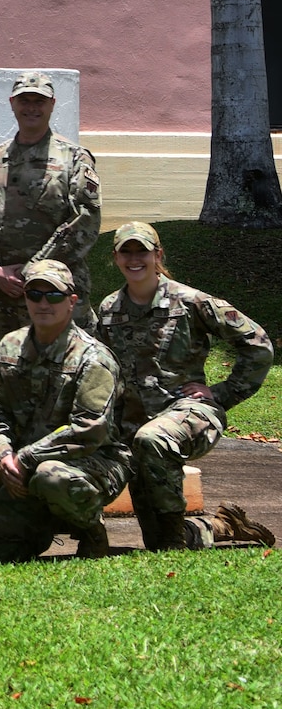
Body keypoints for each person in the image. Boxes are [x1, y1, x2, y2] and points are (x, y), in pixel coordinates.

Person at [95, 223, 274, 551]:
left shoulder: (191, 301)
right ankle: (218, 526)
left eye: (142, 251)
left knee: (153, 439)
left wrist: (223, 393)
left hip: (191, 413)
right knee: (160, 542)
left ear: (157, 255)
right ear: (116, 258)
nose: (135, 259)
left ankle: (178, 536)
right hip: (136, 424)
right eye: (126, 252)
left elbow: (258, 343)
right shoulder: (109, 309)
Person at [0, 260, 128, 562]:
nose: (44, 303)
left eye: (54, 295)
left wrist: (26, 458)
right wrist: (3, 455)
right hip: (21, 469)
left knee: (50, 476)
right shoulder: (8, 347)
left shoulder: (93, 358)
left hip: (92, 463)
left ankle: (91, 528)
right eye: (35, 295)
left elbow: (88, 430)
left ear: (72, 302)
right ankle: (39, 524)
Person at [0, 72, 102, 378]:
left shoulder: (74, 159)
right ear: (13, 103)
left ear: (52, 104)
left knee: (64, 377)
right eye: (25, 100)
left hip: (54, 296)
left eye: (39, 100)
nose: (31, 107)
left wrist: (33, 272)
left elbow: (85, 219)